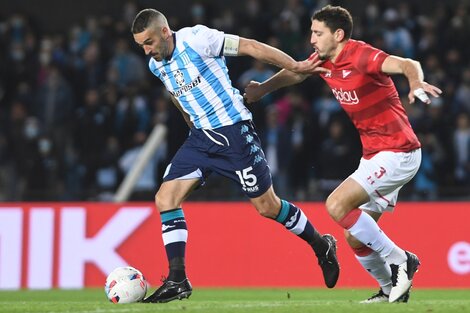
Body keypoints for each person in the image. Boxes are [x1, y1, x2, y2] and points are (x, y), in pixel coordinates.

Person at [130, 8, 340, 303]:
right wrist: (192, 123)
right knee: (165, 198)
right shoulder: (157, 64)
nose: (147, 50)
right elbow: (177, 94)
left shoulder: (199, 39)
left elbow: (251, 46)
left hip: (234, 133)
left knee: (267, 207)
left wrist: (296, 65)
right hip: (201, 139)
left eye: (149, 42)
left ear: (165, 31)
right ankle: (178, 279)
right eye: (141, 45)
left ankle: (321, 246)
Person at [244, 5, 442, 303]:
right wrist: (263, 89)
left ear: (338, 35)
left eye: (317, 33)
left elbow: (406, 62)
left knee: (336, 204)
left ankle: (402, 259)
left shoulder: (361, 55)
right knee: (355, 234)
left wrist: (414, 82)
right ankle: (390, 291)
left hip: (398, 151)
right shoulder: (324, 59)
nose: (312, 39)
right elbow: (297, 73)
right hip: (375, 155)